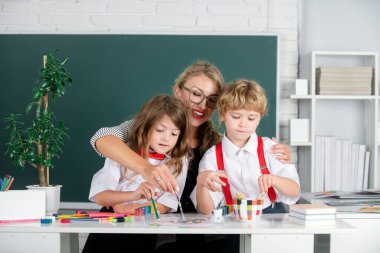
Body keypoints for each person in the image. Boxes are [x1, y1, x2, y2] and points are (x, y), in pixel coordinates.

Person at [89, 61, 292, 252]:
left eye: (211, 100)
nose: (202, 105)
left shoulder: (219, 143)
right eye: (196, 94)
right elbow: (100, 139)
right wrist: (146, 169)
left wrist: (276, 153)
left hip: (196, 233)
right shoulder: (150, 126)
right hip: (138, 226)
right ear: (178, 91)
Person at [83, 95, 191, 253]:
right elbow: (100, 196)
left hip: (146, 229)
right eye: (160, 130)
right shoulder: (123, 152)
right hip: (110, 227)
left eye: (174, 134)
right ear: (146, 126)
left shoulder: (179, 161)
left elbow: (164, 205)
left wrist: (127, 209)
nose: (166, 138)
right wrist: (133, 195)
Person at [193, 79, 300, 215]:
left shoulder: (270, 149)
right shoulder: (212, 157)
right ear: (222, 115)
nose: (243, 124)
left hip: (272, 217)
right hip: (233, 222)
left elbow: (294, 190)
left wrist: (275, 180)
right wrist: (201, 184)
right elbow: (206, 211)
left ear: (260, 118)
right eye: (236, 116)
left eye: (251, 118)